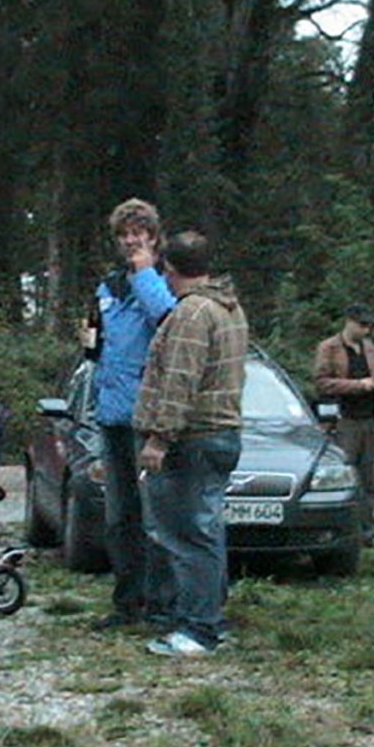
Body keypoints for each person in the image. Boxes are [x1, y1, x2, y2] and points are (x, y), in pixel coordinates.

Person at [135, 229, 249, 656]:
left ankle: (197, 629)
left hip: (193, 439)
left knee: (186, 537)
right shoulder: (229, 308)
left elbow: (179, 382)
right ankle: (211, 619)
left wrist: (159, 439)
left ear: (169, 268)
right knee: (207, 533)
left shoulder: (191, 314)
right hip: (222, 433)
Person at [90, 197, 178, 631]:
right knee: (118, 519)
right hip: (111, 415)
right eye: (124, 234)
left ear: (154, 238)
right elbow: (98, 348)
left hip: (148, 418)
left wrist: (145, 272)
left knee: (155, 520)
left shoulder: (163, 282)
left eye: (138, 233)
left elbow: (168, 319)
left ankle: (163, 608)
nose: (130, 241)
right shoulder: (110, 287)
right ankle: (128, 604)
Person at [313, 303, 374, 545]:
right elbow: (322, 383)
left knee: (370, 479)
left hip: (370, 419)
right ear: (349, 322)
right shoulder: (329, 348)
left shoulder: (370, 348)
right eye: (362, 325)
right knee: (345, 475)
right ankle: (342, 529)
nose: (366, 330)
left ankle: (367, 530)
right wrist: (360, 385)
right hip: (343, 420)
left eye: (369, 326)